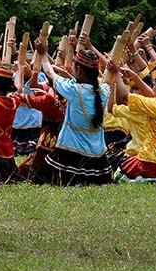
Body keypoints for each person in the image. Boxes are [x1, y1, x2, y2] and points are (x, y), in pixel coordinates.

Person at [33, 42, 112, 186]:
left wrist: (43, 53)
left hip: (71, 152)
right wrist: (112, 70)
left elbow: (50, 73)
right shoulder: (105, 91)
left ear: (79, 70)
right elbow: (107, 79)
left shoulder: (74, 90)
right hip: (97, 155)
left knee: (41, 178)